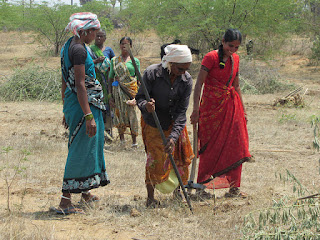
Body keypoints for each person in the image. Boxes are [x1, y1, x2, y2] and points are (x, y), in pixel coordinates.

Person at [58, 12, 110, 214]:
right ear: (86, 31)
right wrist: (88, 116)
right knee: (79, 150)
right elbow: (79, 84)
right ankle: (65, 200)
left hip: (75, 105)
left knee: (88, 148)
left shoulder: (69, 45)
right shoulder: (79, 50)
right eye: (95, 31)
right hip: (83, 106)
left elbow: (65, 81)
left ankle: (85, 192)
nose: (96, 34)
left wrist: (65, 107)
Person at [190, 28, 251, 198]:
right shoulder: (211, 57)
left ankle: (234, 188)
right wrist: (195, 110)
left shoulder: (236, 59)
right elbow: (199, 84)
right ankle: (202, 187)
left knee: (236, 146)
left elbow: (236, 85)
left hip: (232, 108)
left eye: (236, 47)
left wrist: (243, 111)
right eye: (230, 46)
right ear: (223, 41)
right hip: (210, 110)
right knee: (209, 148)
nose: (232, 50)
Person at [136, 44, 194, 207]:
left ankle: (178, 194)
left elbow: (182, 111)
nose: (184, 72)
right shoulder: (151, 74)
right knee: (155, 159)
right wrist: (146, 106)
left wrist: (174, 137)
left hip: (175, 123)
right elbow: (139, 98)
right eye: (181, 69)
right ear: (170, 64)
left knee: (179, 158)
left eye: (186, 69)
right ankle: (150, 198)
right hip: (153, 122)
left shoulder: (186, 80)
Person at [108, 37, 140, 147]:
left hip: (131, 92)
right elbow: (110, 78)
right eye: (122, 44)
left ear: (130, 46)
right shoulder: (114, 61)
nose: (124, 46)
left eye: (126, 44)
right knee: (119, 114)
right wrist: (110, 95)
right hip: (118, 91)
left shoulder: (135, 61)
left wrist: (139, 95)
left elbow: (138, 78)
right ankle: (122, 141)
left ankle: (134, 142)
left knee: (132, 115)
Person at [89, 30, 115, 143]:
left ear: (105, 38)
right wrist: (96, 61)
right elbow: (87, 63)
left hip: (107, 82)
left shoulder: (109, 50)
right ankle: (99, 132)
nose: (99, 38)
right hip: (95, 81)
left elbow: (114, 64)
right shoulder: (90, 50)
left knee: (108, 106)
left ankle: (108, 131)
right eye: (97, 36)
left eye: (101, 36)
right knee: (97, 105)